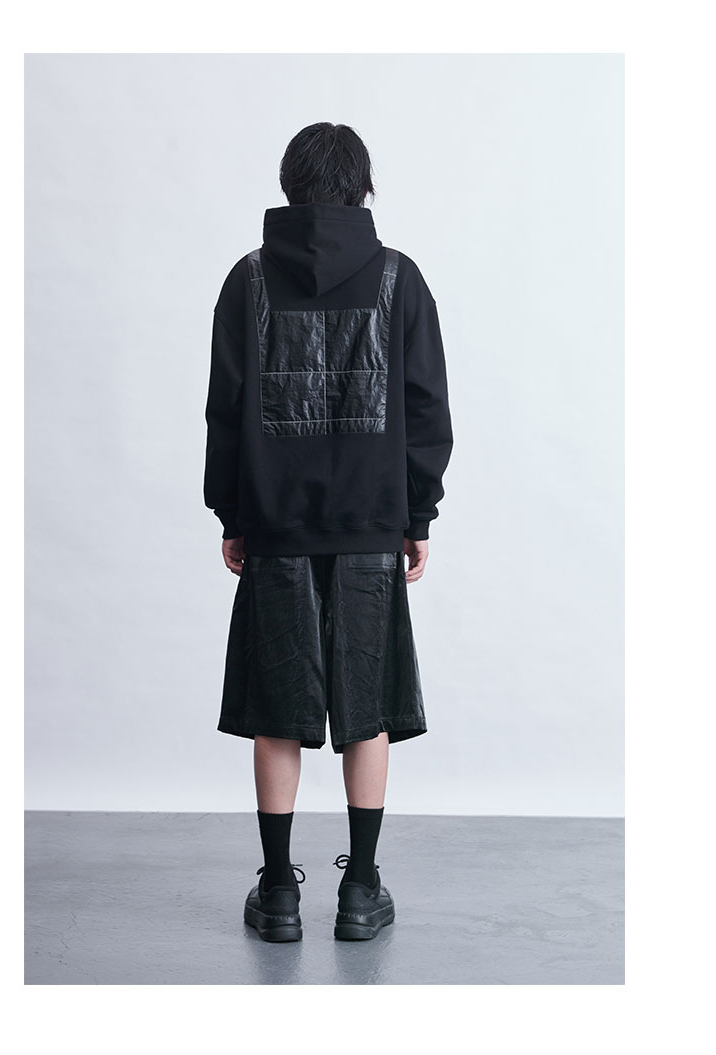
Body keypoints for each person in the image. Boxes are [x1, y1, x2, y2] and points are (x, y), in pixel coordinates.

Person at [203, 122, 453, 942]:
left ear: (289, 184)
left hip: (275, 526)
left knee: (277, 709)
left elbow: (224, 411)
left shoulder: (246, 279)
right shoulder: (398, 277)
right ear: (361, 186)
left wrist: (232, 513)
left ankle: (278, 891)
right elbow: (425, 407)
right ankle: (361, 888)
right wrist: (417, 515)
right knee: (366, 704)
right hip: (370, 525)